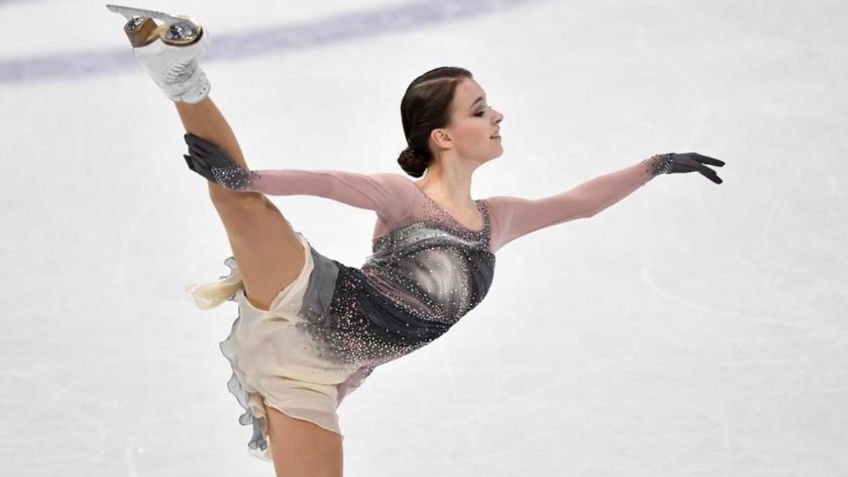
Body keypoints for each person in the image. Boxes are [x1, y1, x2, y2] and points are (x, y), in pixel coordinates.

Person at [107, 5, 725, 476]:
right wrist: (251, 178)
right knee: (236, 199)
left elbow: (579, 205)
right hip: (310, 299)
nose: (498, 116)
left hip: (316, 379)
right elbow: (328, 182)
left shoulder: (497, 220)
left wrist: (659, 162)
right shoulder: (404, 199)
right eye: (480, 110)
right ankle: (179, 73)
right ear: (444, 136)